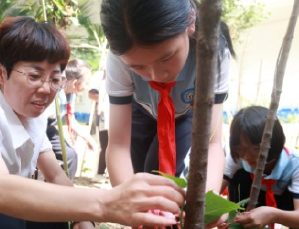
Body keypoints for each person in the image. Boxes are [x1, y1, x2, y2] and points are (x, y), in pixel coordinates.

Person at [0, 17, 185, 229]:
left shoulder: (32, 118)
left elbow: (59, 179)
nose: (47, 89)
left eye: (56, 78)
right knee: (5, 219)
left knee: (54, 215)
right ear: (0, 72)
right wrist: (105, 203)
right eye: (34, 76)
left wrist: (82, 219)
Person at [100, 0, 235, 194]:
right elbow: (119, 145)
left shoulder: (213, 53)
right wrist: (129, 201)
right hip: (140, 111)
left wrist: (205, 202)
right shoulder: (119, 56)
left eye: (166, 57)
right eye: (138, 67)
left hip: (183, 114)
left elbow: (212, 144)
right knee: (139, 179)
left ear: (190, 21)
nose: (157, 76)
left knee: (161, 177)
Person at [220, 106, 299, 229]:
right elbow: (214, 189)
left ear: (274, 143)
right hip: (252, 200)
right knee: (238, 174)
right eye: (240, 148)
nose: (246, 155)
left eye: (256, 149)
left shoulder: (295, 165)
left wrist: (274, 215)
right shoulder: (237, 156)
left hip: (285, 205)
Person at [46, 59, 96, 179]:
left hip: (49, 127)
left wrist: (88, 138)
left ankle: (66, 187)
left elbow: (72, 120)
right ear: (74, 83)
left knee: (70, 155)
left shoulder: (70, 94)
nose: (87, 87)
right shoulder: (54, 91)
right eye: (86, 82)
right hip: (37, 124)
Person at [88, 70, 109, 176]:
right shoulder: (101, 73)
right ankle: (100, 172)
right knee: (106, 145)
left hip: (122, 114)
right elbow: (91, 94)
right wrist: (107, 101)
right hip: (105, 116)